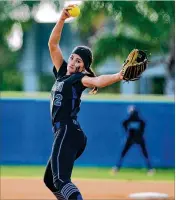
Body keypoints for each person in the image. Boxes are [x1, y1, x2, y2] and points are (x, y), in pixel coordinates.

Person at [43, 4, 123, 200]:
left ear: (84, 68)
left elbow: (98, 81)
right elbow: (53, 45)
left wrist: (120, 75)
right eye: (72, 57)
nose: (73, 61)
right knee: (50, 180)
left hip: (68, 131)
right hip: (66, 133)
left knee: (61, 180)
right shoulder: (62, 73)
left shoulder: (79, 79)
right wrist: (61, 19)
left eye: (79, 61)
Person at [112, 105, 155, 175]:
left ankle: (150, 169)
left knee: (145, 153)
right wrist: (128, 131)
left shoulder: (139, 120)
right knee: (123, 152)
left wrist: (139, 133)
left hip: (139, 138)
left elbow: (143, 125)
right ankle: (117, 167)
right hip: (131, 138)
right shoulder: (129, 120)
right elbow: (124, 124)